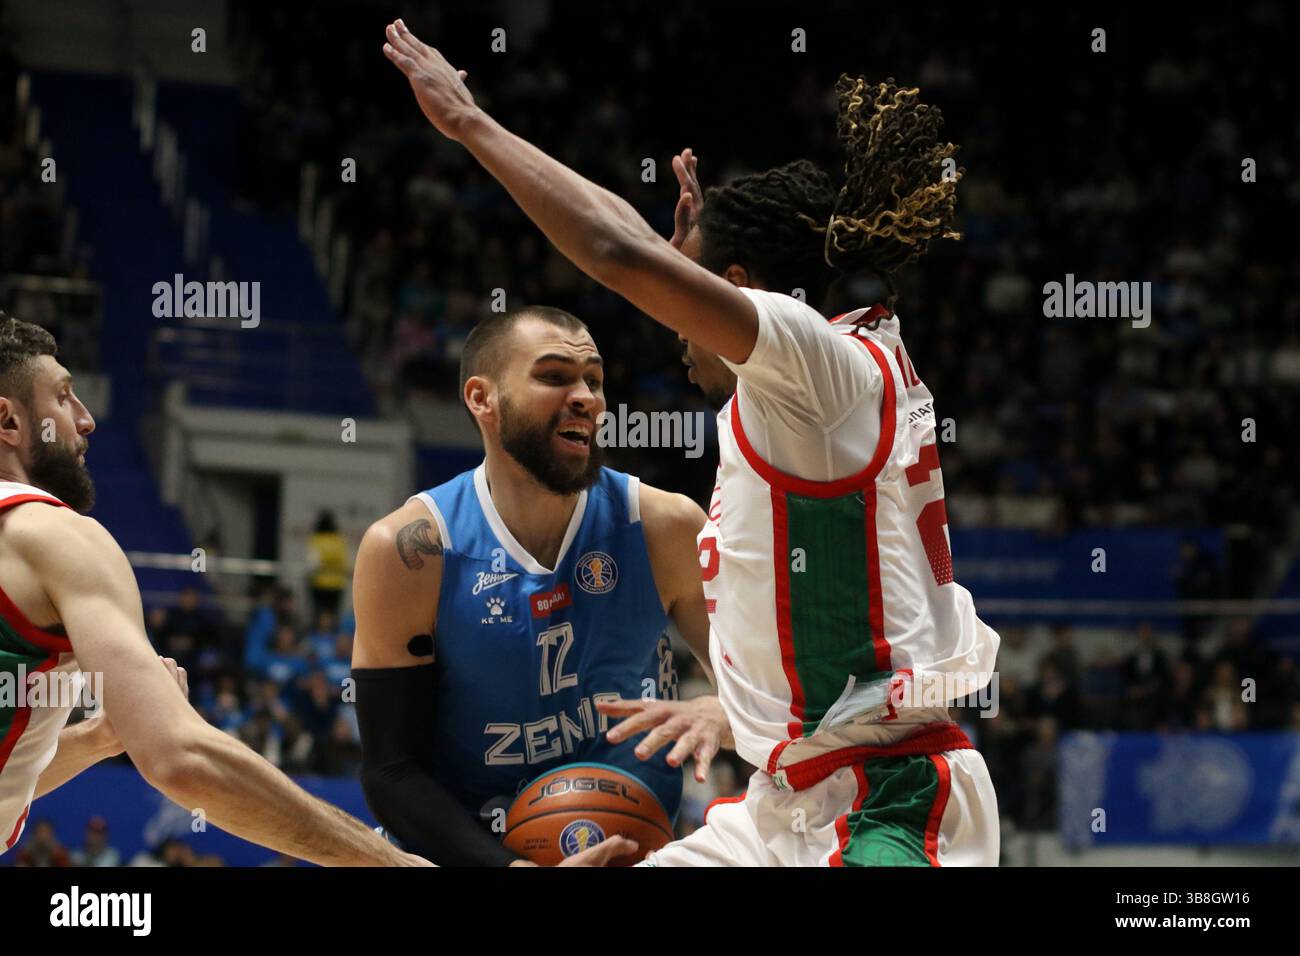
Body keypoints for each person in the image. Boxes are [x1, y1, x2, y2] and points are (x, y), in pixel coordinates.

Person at [381, 20, 1001, 865]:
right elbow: (632, 245)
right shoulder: (827, 375)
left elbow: (614, 251)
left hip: (884, 799)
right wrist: (729, 709)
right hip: (787, 800)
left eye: (688, 284)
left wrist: (470, 124)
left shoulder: (819, 368)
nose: (672, 327)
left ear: (736, 287)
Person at [0, 314, 428, 866]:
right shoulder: (53, 535)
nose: (86, 420)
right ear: (8, 421)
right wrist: (390, 862)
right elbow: (180, 757)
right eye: (63, 397)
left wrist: (98, 739)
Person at [351, 306, 722, 866]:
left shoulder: (665, 527)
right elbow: (390, 771)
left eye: (594, 381)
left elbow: (778, 699)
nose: (587, 398)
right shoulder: (410, 551)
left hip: (636, 849)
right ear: (483, 398)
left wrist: (725, 711)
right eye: (555, 377)